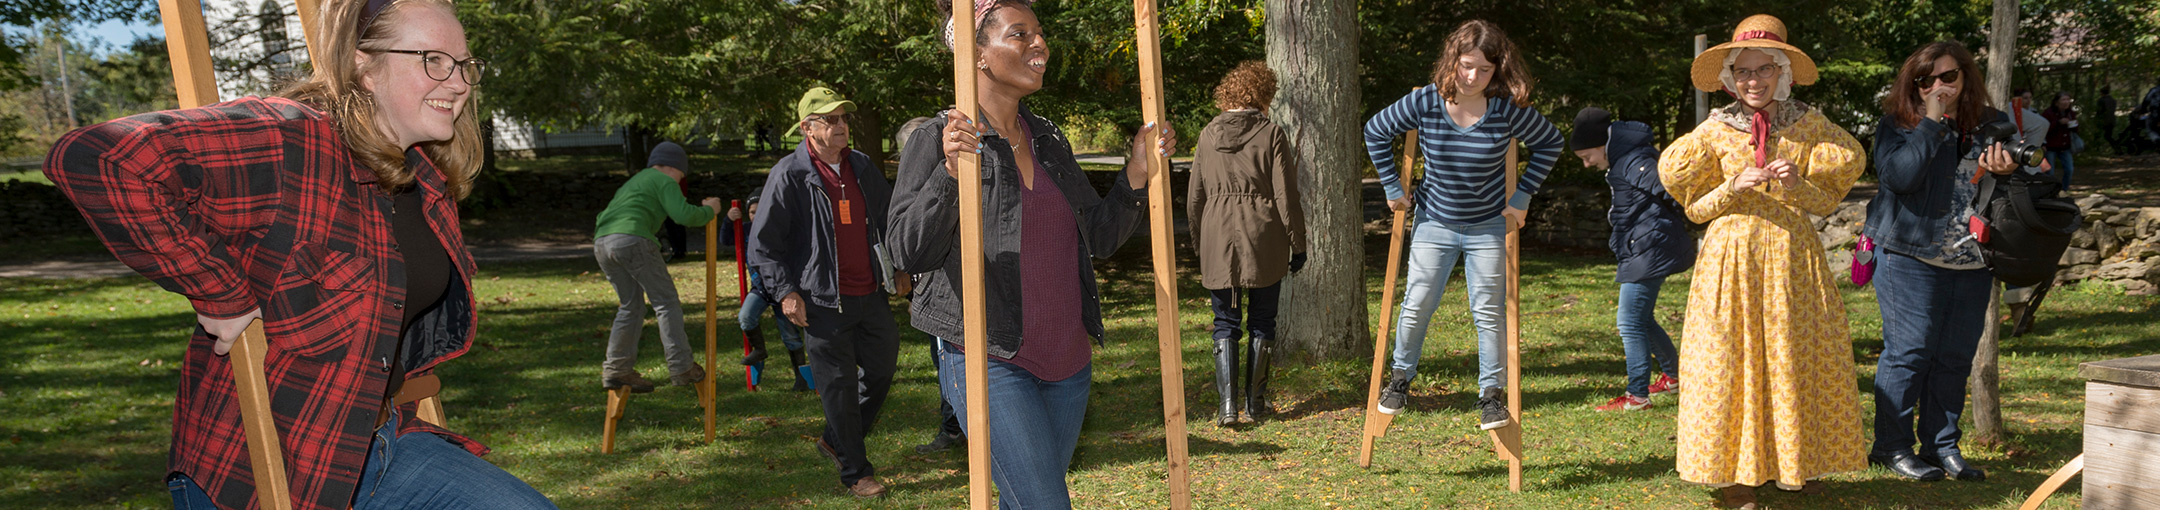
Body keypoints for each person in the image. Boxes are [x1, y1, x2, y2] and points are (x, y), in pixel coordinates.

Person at [45, 0, 557, 508]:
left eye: (465, 64)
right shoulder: (292, 136)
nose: (460, 82)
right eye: (433, 60)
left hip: (381, 447)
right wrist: (218, 291)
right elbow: (100, 156)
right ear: (364, 65)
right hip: (262, 473)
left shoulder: (423, 179)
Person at [889, 0, 1174, 505]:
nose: (1039, 45)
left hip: (1068, 361)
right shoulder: (940, 140)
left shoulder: (1048, 138)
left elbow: (1100, 239)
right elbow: (907, 250)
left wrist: (1136, 174)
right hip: (989, 356)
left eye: (1039, 34)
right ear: (977, 54)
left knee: (1026, 500)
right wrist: (950, 175)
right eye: (1020, 35)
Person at [1658, 14, 1867, 507]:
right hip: (1731, 260)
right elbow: (1696, 209)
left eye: (1764, 70)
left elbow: (1825, 204)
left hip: (1794, 259)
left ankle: (1797, 461)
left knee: (1797, 357)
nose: (1754, 81)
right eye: (1745, 72)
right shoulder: (1712, 131)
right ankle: (1735, 473)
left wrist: (1797, 183)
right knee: (1732, 361)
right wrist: (1732, 186)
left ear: (1782, 73)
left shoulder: (1812, 125)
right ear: (1731, 78)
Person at [1365, 19, 1564, 431]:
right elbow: (1376, 130)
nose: (1473, 76)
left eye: (1485, 69)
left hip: (1489, 226)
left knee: (1489, 311)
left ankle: (1491, 396)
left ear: (1498, 70)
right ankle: (1400, 380)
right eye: (1467, 65)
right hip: (1434, 222)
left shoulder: (1507, 111)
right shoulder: (1425, 101)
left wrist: (1522, 197)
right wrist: (1390, 184)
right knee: (1417, 302)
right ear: (1452, 59)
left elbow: (1551, 143)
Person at [1865, 40, 2027, 485]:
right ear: (1912, 84)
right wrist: (1932, 123)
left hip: (1974, 258)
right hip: (1908, 254)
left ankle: (1941, 446)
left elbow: (2031, 183)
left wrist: (2012, 171)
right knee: (1910, 353)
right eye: (1926, 80)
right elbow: (1899, 177)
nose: (1939, 86)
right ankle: (1892, 447)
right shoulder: (1897, 125)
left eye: (1949, 77)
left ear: (1965, 77)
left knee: (1955, 356)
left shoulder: (1994, 124)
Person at [750, 86, 904, 498]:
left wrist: (901, 267)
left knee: (881, 370)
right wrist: (786, 292)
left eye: (844, 119)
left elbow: (890, 220)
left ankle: (835, 438)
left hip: (870, 293)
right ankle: (856, 471)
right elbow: (763, 246)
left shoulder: (863, 166)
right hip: (819, 301)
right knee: (836, 386)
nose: (841, 126)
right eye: (830, 119)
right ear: (807, 128)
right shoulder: (789, 174)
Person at [1191, 61, 1307, 426]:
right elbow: (1286, 194)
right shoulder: (1271, 133)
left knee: (1224, 320)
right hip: (1264, 235)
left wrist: (1201, 242)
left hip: (1217, 236)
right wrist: (1298, 243)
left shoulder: (1208, 134)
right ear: (1263, 95)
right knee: (1262, 320)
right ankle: (1255, 404)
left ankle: (1227, 407)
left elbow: (1195, 196)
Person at [1569, 107, 1694, 412]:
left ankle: (1637, 396)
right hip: (1643, 246)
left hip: (1650, 247)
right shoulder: (1623, 158)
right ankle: (1674, 378)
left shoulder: (1633, 159)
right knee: (1643, 318)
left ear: (1602, 145)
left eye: (1588, 156)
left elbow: (1672, 189)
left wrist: (1673, 224)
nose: (1587, 164)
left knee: (1629, 321)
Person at [593, 141, 720, 393]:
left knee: (631, 305)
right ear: (676, 168)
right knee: (666, 301)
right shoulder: (665, 180)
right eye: (682, 175)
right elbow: (683, 215)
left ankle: (617, 369)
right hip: (633, 240)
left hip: (602, 242)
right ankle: (681, 365)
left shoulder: (638, 180)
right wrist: (709, 211)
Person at [726, 198, 811, 391]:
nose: (755, 216)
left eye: (759, 211)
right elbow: (726, 239)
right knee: (746, 317)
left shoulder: (778, 227)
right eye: (752, 212)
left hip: (782, 289)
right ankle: (760, 350)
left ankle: (801, 378)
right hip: (760, 289)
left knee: (790, 335)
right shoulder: (746, 229)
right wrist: (729, 221)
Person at [2041, 92, 2080, 188]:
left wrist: (2074, 125)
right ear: (2056, 102)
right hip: (2051, 147)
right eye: (2063, 100)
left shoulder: (2070, 113)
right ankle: (2049, 190)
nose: (2066, 102)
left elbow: (2075, 130)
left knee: (2069, 170)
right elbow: (2043, 128)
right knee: (2050, 171)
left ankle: (2064, 190)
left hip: (2065, 146)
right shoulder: (2048, 113)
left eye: (2068, 100)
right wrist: (2058, 122)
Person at [2096, 87, 2118, 153]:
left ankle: (2096, 149)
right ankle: (2117, 148)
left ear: (2101, 93)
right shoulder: (2113, 100)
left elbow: (2099, 111)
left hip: (2103, 121)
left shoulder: (2101, 100)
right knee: (2108, 136)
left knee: (2097, 135)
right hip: (2111, 120)